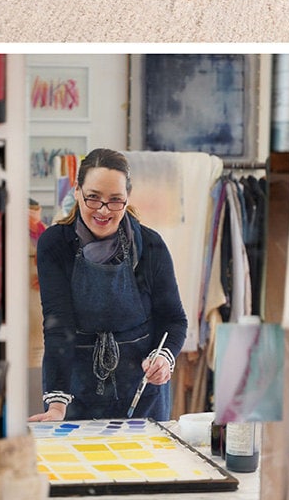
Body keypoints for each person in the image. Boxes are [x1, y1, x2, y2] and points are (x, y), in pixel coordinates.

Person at [29, 148, 187, 422]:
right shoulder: (55, 244)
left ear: (127, 199)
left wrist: (163, 357)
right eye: (93, 198)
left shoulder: (150, 245)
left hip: (142, 391)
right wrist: (56, 404)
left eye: (115, 201)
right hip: (75, 392)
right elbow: (58, 326)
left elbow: (174, 320)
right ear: (77, 191)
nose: (103, 210)